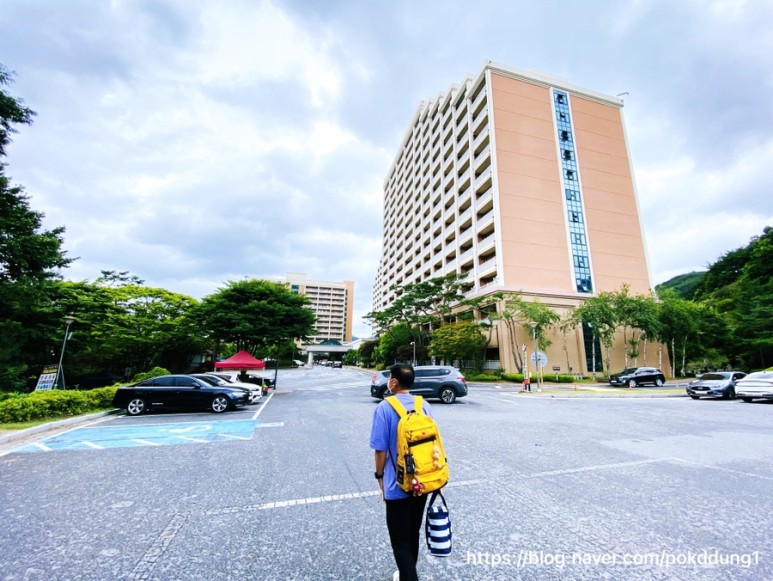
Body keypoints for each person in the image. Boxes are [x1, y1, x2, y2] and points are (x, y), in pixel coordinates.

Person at [370, 363, 434, 581]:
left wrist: (379, 476)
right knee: (412, 532)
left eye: (390, 378)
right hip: (422, 481)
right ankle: (408, 572)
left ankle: (408, 576)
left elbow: (380, 450)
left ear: (394, 383)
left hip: (396, 483)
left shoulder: (384, 408)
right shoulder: (424, 405)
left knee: (399, 540)